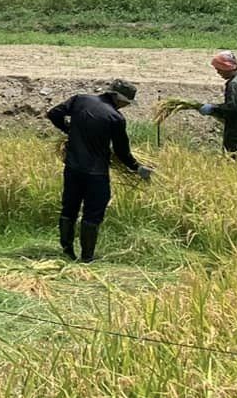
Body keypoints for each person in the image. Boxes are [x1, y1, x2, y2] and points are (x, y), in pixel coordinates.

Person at [44, 80, 154, 263]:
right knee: (93, 214)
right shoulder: (115, 118)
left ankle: (67, 250)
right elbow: (121, 151)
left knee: (69, 208)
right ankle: (87, 257)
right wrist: (137, 167)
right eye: (126, 102)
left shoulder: (80, 100)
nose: (126, 106)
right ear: (117, 97)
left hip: (72, 168)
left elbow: (53, 114)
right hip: (96, 174)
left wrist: (69, 131)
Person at [199, 50, 237, 157]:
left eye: (219, 69)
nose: (218, 72)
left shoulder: (234, 84)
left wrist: (213, 109)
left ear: (226, 67)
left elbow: (232, 109)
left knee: (232, 161)